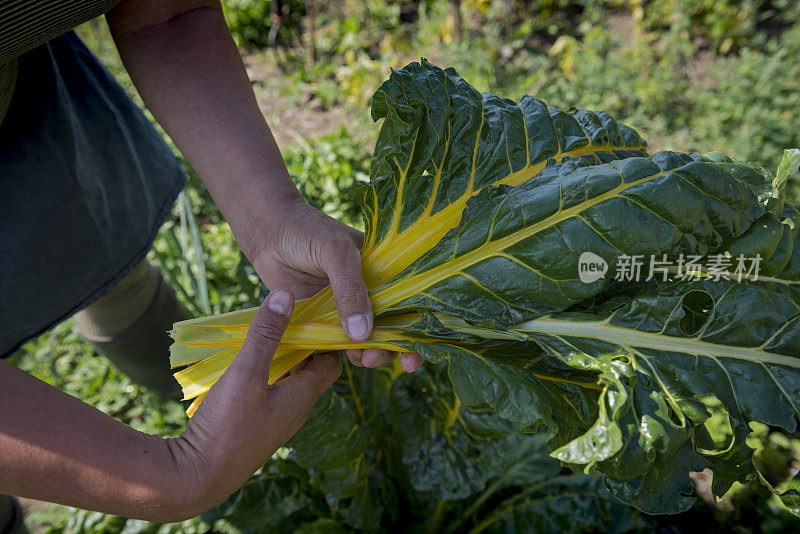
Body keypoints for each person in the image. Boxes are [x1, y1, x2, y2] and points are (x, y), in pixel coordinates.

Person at [0, 0, 423, 529]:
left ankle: (176, 388)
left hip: (22, 107)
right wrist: (176, 476)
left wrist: (271, 217)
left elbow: (167, 12)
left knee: (106, 260)